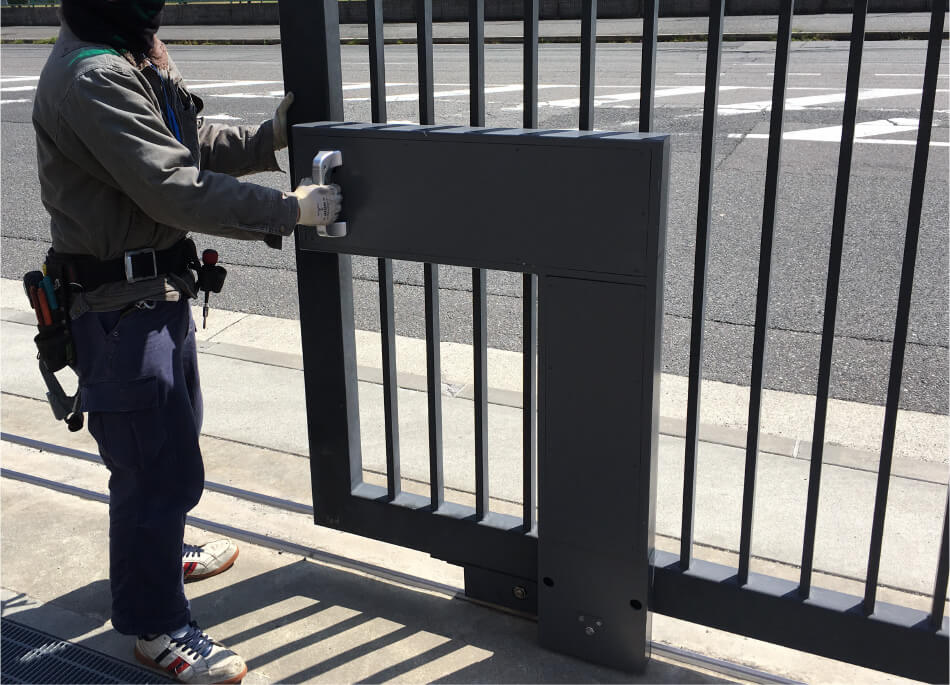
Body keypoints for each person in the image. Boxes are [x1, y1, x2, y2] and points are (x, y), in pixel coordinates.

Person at [31, 1, 339, 682]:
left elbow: (183, 138)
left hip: (150, 292)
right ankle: (155, 625)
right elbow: (172, 186)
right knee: (151, 466)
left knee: (169, 444)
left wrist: (266, 138)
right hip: (120, 307)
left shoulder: (119, 48)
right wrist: (287, 210)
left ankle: (161, 552)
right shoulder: (94, 75)